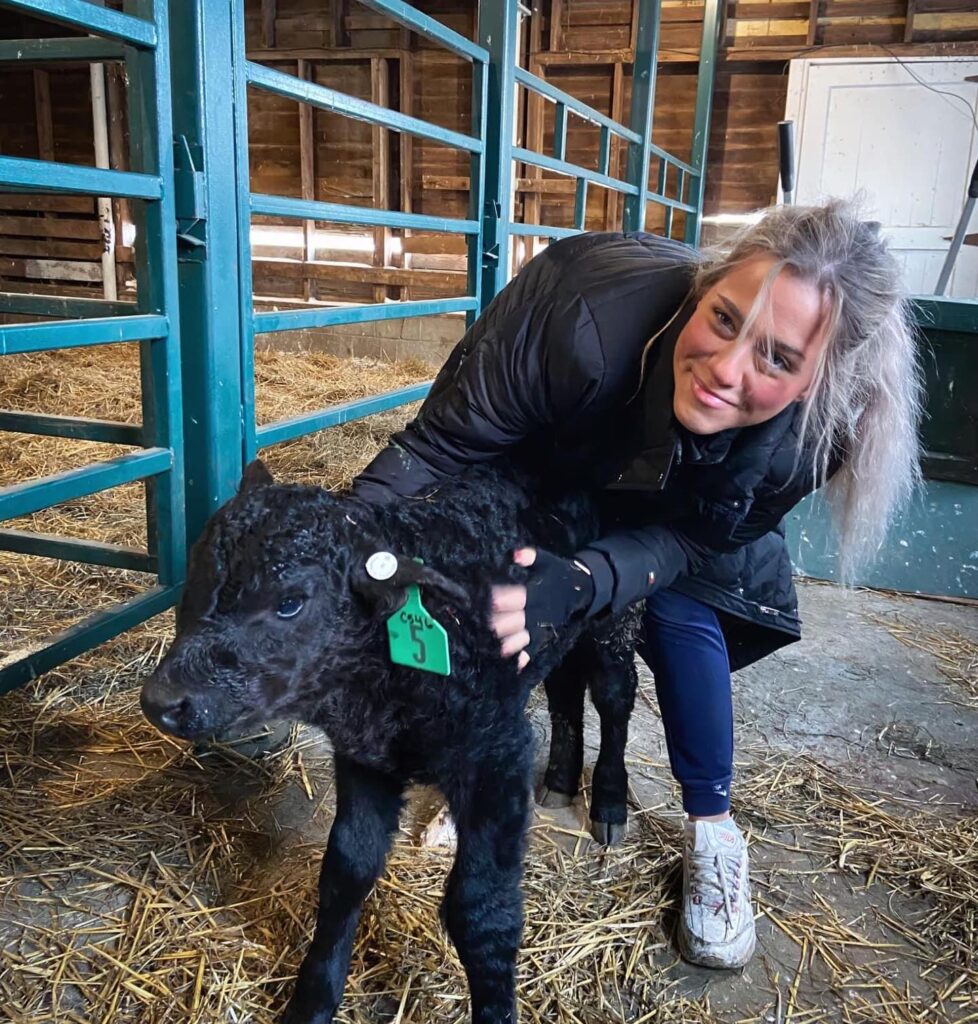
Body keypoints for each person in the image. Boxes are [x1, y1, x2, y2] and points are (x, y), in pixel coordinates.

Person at [352, 200, 922, 970]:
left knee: (686, 613)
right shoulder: (580, 315)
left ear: (818, 380)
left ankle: (714, 833)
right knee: (498, 592)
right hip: (561, 445)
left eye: (778, 359)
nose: (727, 369)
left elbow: (692, 540)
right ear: (704, 286)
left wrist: (592, 578)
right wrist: (343, 534)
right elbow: (442, 446)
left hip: (693, 495)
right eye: (723, 319)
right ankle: (481, 772)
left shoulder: (816, 438)